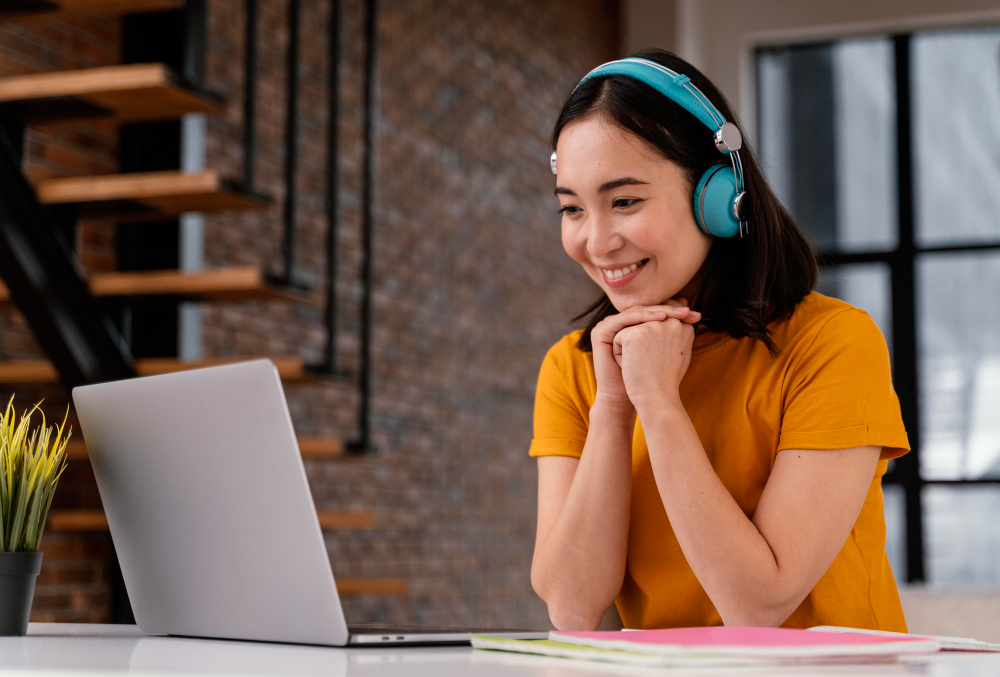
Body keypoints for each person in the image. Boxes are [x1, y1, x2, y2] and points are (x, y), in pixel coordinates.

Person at [529, 49, 910, 632]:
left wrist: (658, 404)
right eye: (572, 208)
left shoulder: (832, 343)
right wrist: (613, 407)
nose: (597, 241)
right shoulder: (575, 368)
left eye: (625, 201)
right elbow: (572, 608)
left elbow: (759, 605)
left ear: (718, 198)